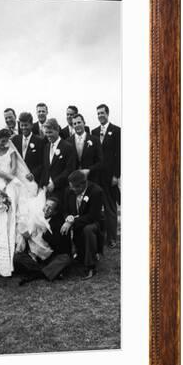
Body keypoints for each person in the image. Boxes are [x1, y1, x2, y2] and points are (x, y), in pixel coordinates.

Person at [0, 129, 51, 277]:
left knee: (15, 213)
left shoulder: (10, 149)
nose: (4, 144)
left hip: (13, 182)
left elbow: (14, 167)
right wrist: (6, 181)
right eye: (1, 141)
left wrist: (12, 179)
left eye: (6, 141)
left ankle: (17, 255)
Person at [13, 197, 72, 284]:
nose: (46, 209)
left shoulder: (58, 223)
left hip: (50, 255)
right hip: (35, 256)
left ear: (55, 212)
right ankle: (47, 272)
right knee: (17, 258)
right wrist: (27, 236)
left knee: (65, 259)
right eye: (46, 206)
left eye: (50, 208)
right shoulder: (35, 218)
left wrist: (44, 233)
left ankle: (38, 273)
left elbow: (60, 246)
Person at [61, 170, 103, 279]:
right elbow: (65, 210)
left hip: (93, 224)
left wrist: (72, 221)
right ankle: (66, 259)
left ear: (83, 184)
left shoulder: (96, 191)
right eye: (71, 187)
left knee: (88, 229)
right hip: (75, 222)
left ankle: (90, 266)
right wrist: (67, 218)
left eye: (75, 188)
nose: (72, 190)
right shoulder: (69, 191)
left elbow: (93, 216)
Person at [91, 104, 121, 248]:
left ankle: (112, 238)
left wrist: (116, 175)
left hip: (110, 176)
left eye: (102, 113)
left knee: (110, 208)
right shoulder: (94, 132)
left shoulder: (116, 131)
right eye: (98, 113)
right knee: (97, 207)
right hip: (97, 176)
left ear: (107, 113)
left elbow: (119, 154)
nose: (100, 115)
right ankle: (99, 237)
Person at [40, 118, 75, 201]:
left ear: (57, 130)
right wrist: (42, 186)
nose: (48, 135)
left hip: (62, 190)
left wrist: (55, 183)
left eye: (50, 132)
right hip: (48, 190)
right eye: (46, 133)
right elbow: (45, 168)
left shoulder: (68, 147)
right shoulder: (46, 147)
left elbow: (69, 169)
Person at [68, 113, 103, 183]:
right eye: (74, 124)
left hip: (91, 179)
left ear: (84, 123)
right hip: (74, 181)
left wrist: (89, 170)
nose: (77, 125)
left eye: (79, 122)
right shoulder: (68, 141)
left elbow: (100, 162)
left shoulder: (95, 140)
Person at [11, 111, 46, 182]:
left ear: (31, 125)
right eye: (22, 125)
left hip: (33, 179)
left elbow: (42, 163)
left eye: (26, 125)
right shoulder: (15, 139)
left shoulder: (39, 141)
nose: (24, 128)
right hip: (18, 179)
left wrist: (33, 174)